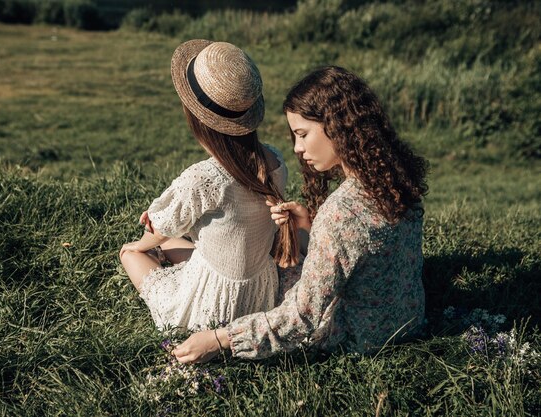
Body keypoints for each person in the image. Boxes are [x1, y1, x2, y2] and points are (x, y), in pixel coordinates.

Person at [173, 65, 429, 363]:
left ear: (337, 125)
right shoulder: (396, 180)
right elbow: (367, 251)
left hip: (357, 339)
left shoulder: (341, 212)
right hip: (407, 320)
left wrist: (221, 339)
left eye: (303, 134)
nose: (297, 148)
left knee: (274, 273)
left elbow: (302, 316)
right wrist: (310, 224)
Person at [119, 40, 299, 331]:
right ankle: (164, 256)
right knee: (180, 246)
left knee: (131, 254)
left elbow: (162, 229)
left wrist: (140, 245)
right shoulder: (275, 162)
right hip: (259, 294)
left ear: (194, 116)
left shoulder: (204, 178)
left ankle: (146, 258)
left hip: (212, 305)